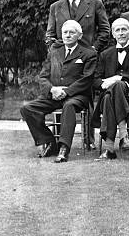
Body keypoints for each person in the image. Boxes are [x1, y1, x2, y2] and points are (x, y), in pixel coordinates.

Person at [21, 20, 97, 163]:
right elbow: (43, 76)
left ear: (79, 36)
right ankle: (49, 141)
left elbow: (87, 79)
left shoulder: (89, 53)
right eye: (65, 32)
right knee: (28, 109)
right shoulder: (54, 52)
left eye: (71, 32)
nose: (67, 35)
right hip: (54, 94)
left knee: (69, 106)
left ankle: (64, 148)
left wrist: (67, 91)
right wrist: (52, 89)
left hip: (77, 96)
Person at [91, 18, 129, 160]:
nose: (121, 33)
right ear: (112, 33)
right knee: (109, 96)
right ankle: (123, 138)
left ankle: (110, 147)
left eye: (124, 29)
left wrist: (120, 78)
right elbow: (95, 80)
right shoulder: (105, 54)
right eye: (117, 30)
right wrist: (104, 84)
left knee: (110, 94)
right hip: (115, 98)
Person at [45, 0, 110, 53]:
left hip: (88, 57)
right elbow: (50, 34)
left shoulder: (95, 3)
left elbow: (105, 30)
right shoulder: (55, 7)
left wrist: (95, 48)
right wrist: (55, 50)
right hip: (63, 57)